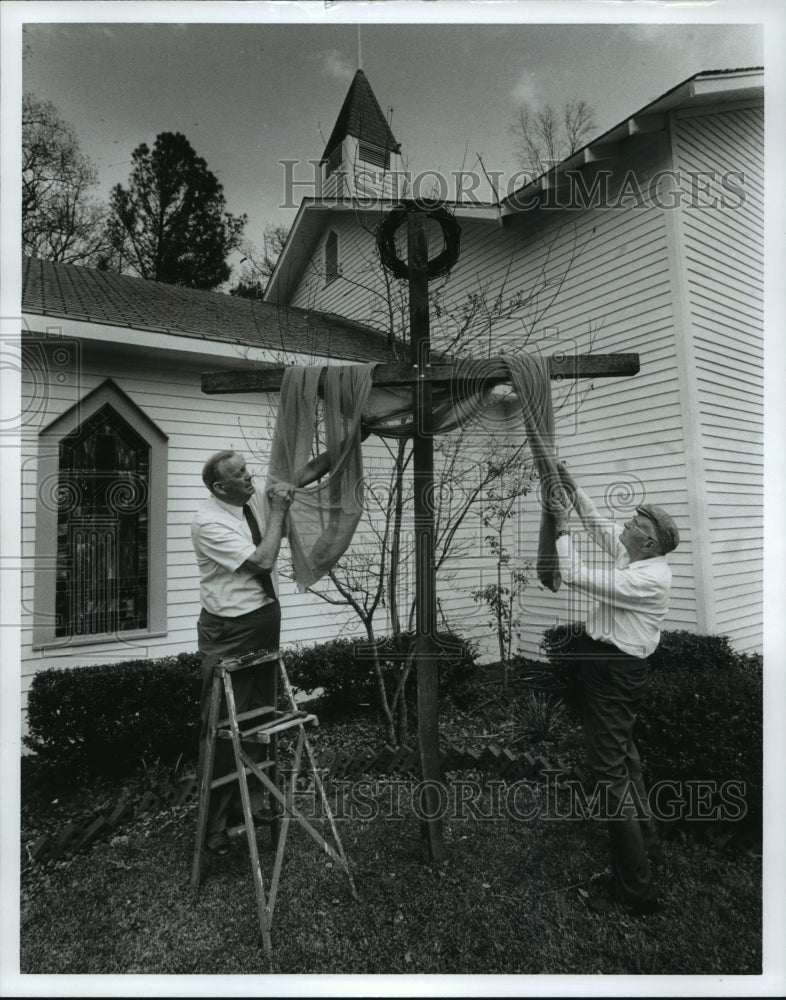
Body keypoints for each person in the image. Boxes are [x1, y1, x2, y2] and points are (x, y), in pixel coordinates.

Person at [550, 459, 679, 915]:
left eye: (635, 523)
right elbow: (600, 524)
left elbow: (577, 576)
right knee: (625, 759)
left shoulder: (646, 578)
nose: (625, 524)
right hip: (607, 665)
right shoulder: (638, 554)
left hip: (615, 672)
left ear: (648, 540)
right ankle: (649, 845)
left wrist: (559, 527)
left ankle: (638, 891)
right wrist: (571, 488)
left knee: (609, 775)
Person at [191, 447, 332, 855]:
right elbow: (264, 560)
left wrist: (349, 442)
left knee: (259, 721)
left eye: (248, 470)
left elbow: (297, 477)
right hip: (229, 632)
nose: (251, 478)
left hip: (263, 621)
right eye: (241, 474)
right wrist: (280, 512)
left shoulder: (247, 497)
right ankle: (214, 825)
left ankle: (248, 810)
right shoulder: (208, 522)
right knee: (221, 726)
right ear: (221, 486)